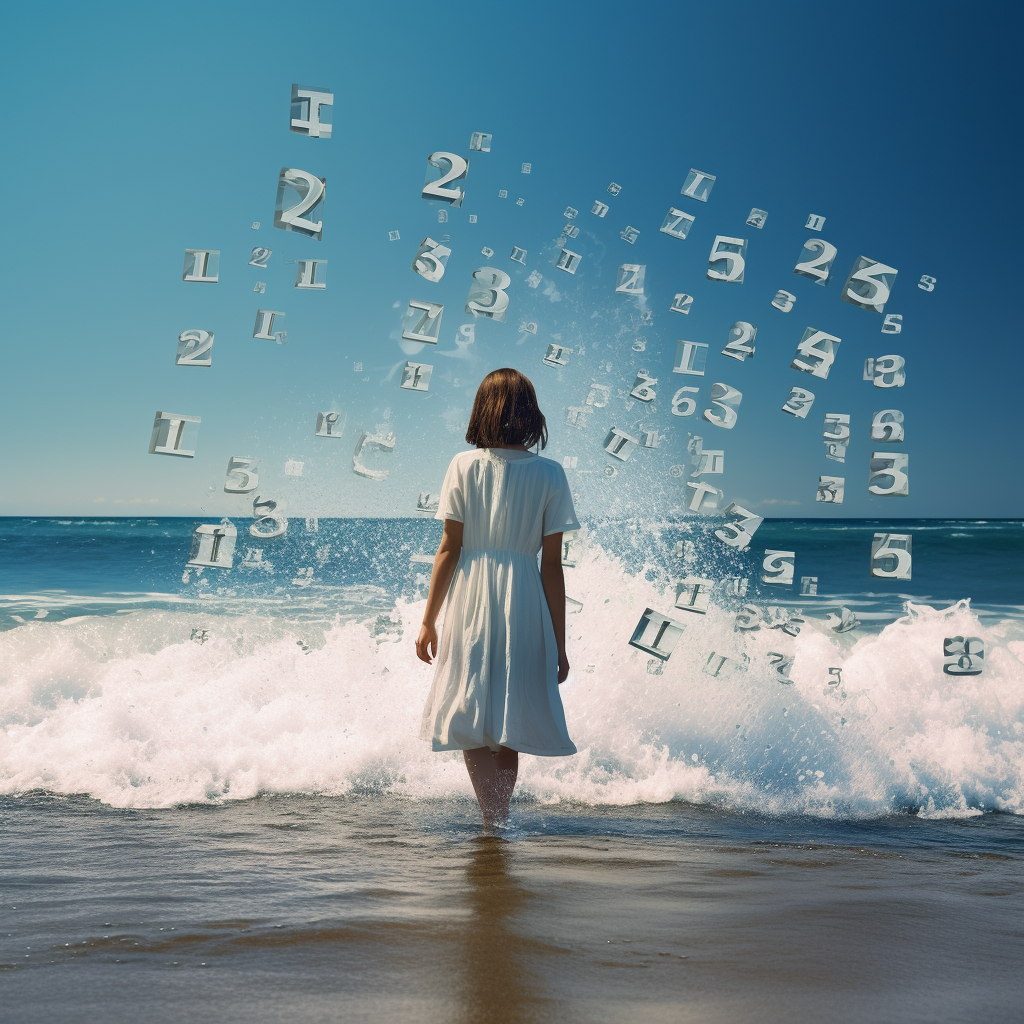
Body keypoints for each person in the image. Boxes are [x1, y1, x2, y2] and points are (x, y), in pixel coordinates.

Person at [415, 368, 580, 829]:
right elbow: (552, 566)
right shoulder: (551, 474)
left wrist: (428, 620)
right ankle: (497, 819)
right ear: (530, 412)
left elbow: (449, 548)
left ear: (481, 409)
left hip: (472, 598)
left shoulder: (463, 466)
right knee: (509, 718)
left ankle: (492, 819)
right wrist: (559, 644)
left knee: (469, 711)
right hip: (526, 600)